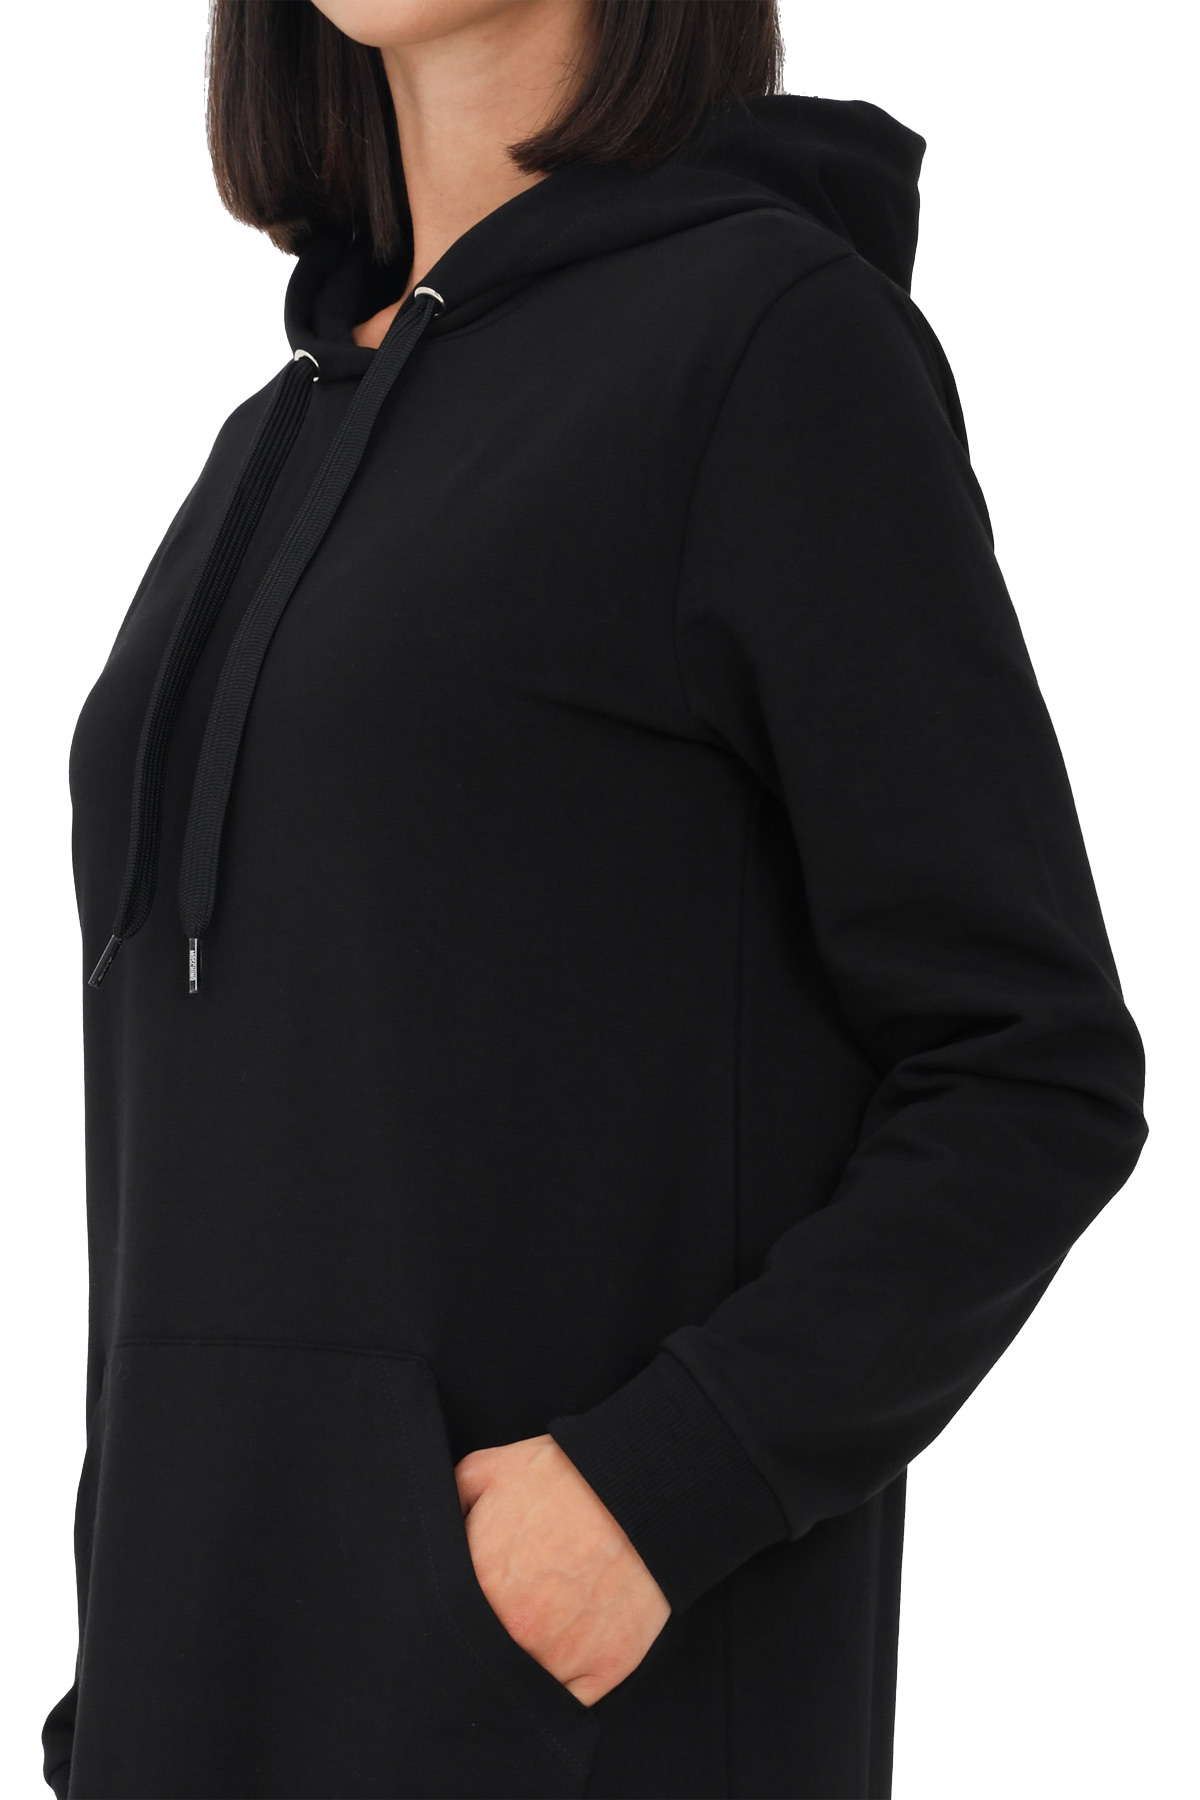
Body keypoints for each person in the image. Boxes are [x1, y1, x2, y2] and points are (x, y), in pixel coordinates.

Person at [41, 2, 1147, 1797]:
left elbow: (1030, 1069)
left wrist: (661, 1488)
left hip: (563, 1727)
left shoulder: (772, 343)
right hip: (198, 1708)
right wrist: (124, 1651)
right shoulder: (275, 438)